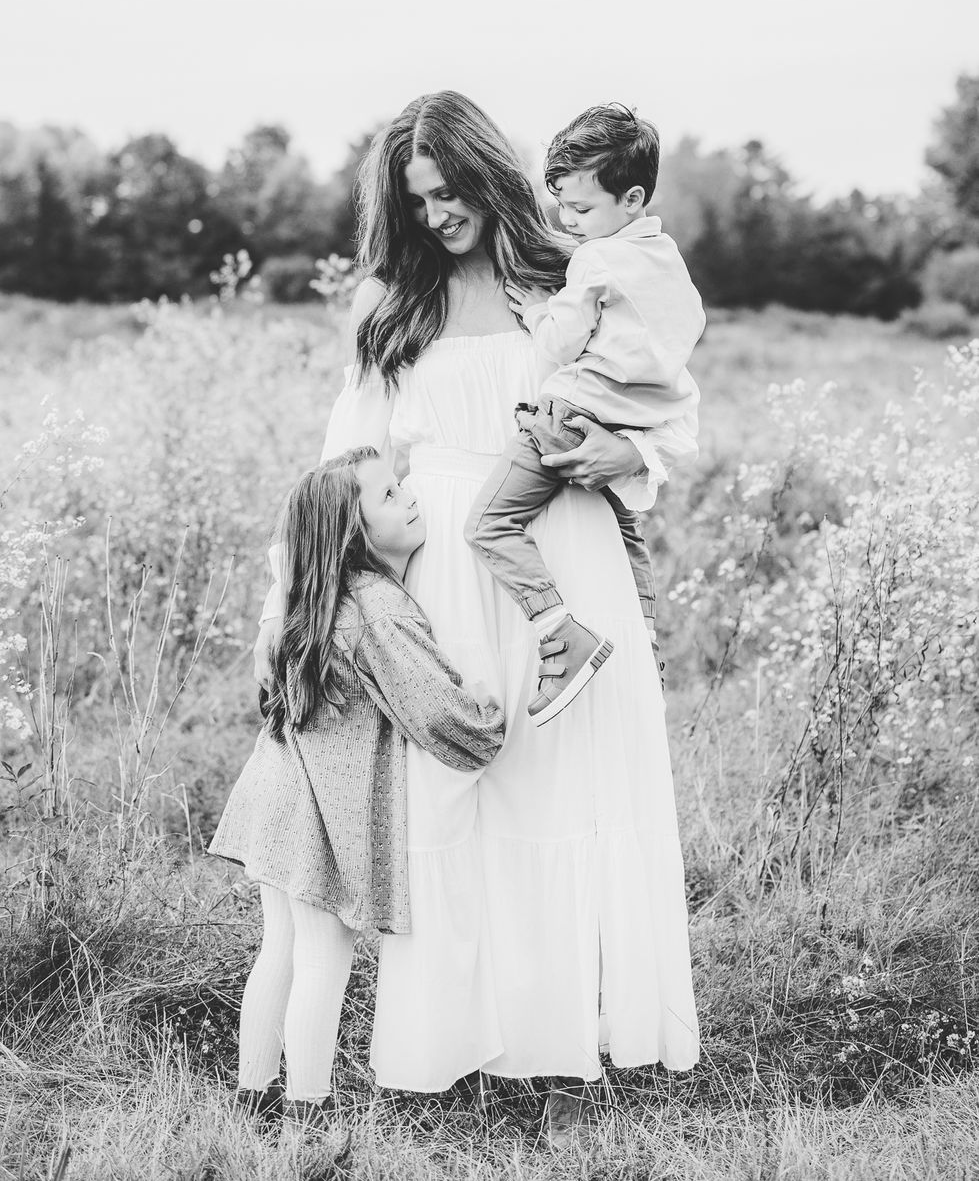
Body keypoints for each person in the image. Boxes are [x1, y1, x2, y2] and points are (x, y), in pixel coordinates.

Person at [255, 90, 699, 1143]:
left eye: (450, 191)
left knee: (563, 787)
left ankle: (561, 1040)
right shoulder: (387, 302)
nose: (437, 213)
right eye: (416, 199)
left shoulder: (570, 268)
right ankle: (449, 1043)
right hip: (439, 577)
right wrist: (289, 607)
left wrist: (626, 454)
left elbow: (670, 401)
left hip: (566, 556)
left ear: (488, 176)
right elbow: (340, 468)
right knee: (452, 804)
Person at [211, 446, 505, 1136]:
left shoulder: (314, 601)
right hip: (315, 805)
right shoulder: (376, 609)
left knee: (279, 947)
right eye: (386, 494)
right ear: (354, 533)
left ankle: (252, 1096)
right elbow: (436, 713)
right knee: (322, 953)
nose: (407, 496)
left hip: (275, 791)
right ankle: (306, 1112)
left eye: (400, 484)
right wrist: (488, 710)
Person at [464, 102, 705, 726]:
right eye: (561, 209)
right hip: (626, 425)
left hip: (568, 411)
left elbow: (557, 346)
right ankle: (647, 663)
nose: (569, 223)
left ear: (631, 199)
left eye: (581, 210)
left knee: (489, 526)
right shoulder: (667, 262)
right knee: (630, 548)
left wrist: (542, 309)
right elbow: (686, 336)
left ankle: (558, 633)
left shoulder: (596, 261)